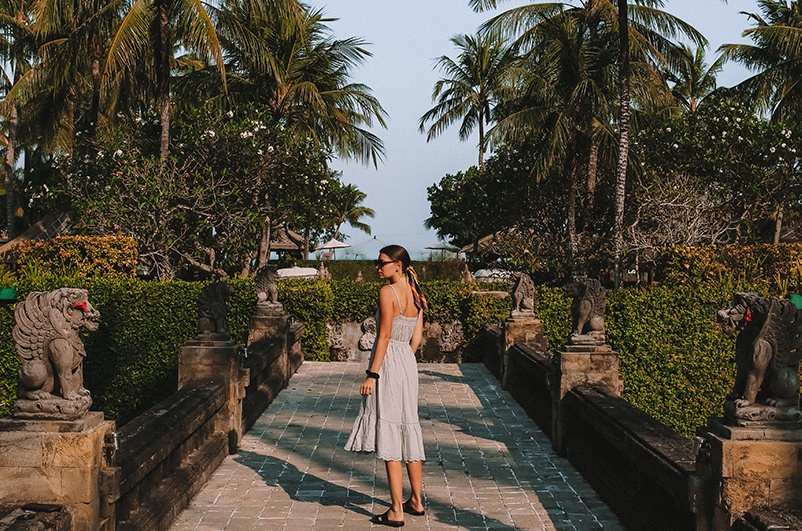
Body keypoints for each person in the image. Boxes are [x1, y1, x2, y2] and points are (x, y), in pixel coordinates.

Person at [344, 244, 428, 527]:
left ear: (398, 265)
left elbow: (383, 336)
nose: (377, 267)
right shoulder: (416, 291)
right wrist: (405, 360)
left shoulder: (386, 293)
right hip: (407, 362)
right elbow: (417, 337)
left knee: (391, 432)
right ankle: (416, 500)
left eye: (382, 263)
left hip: (389, 363)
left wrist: (372, 373)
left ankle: (396, 510)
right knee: (408, 428)